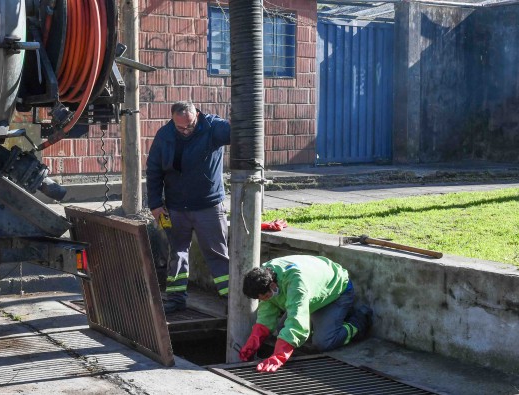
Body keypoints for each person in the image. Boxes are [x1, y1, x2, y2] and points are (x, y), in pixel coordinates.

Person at [146, 101, 231, 314]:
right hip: (175, 207)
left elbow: (236, 132)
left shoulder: (212, 127)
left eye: (190, 126)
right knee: (176, 253)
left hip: (208, 206)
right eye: (181, 127)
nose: (186, 131)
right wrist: (155, 204)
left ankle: (232, 299)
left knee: (217, 254)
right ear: (173, 120)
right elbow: (153, 171)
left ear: (197, 116)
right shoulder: (164, 135)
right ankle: (175, 299)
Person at [238, 255, 373, 373]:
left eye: (266, 296)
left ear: (273, 286)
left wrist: (279, 356)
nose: (265, 300)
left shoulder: (296, 283)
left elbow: (297, 323)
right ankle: (334, 320)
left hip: (337, 291)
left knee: (323, 342)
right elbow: (267, 312)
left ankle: (359, 321)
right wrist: (255, 339)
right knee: (282, 330)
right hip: (314, 292)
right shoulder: (265, 275)